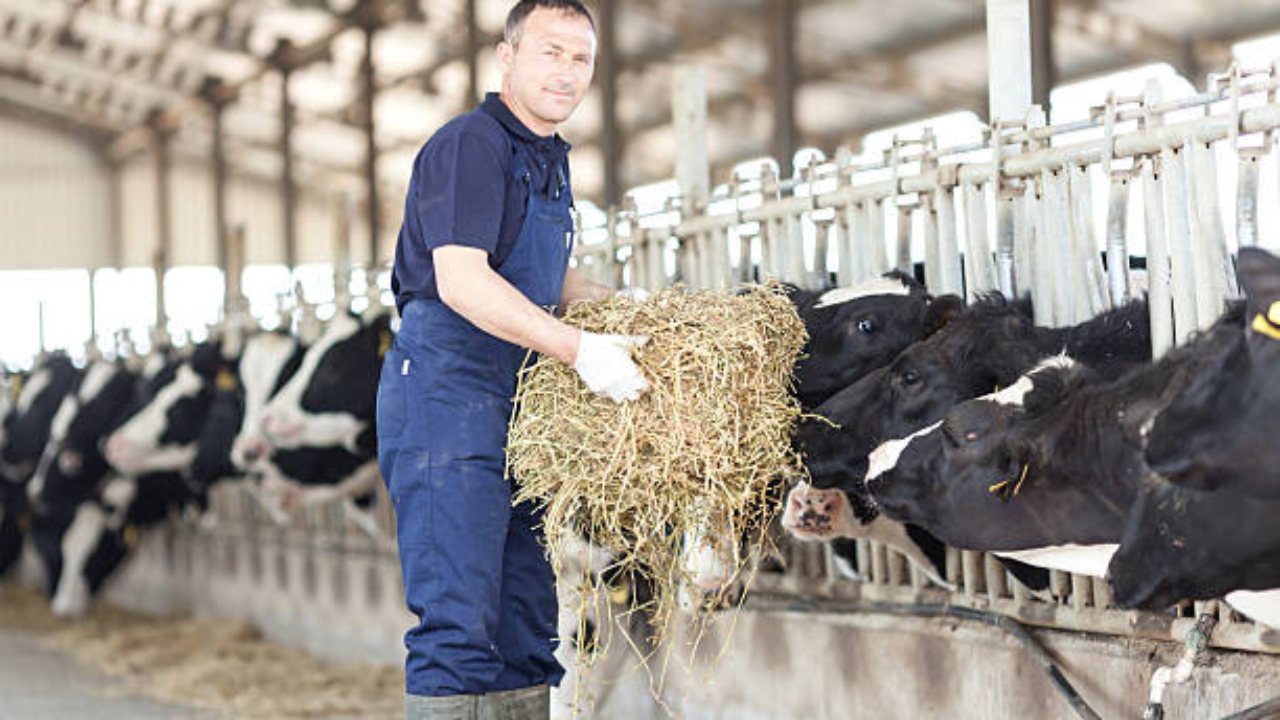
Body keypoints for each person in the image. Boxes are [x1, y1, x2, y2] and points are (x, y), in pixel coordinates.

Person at [376, 2, 649, 718]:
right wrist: (578, 347)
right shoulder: (471, 144)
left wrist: (626, 308)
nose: (566, 71)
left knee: (526, 621)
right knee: (459, 623)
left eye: (581, 58)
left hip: (517, 397)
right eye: (550, 52)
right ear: (507, 58)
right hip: (446, 392)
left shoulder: (548, 158)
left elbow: (535, 277)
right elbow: (463, 279)